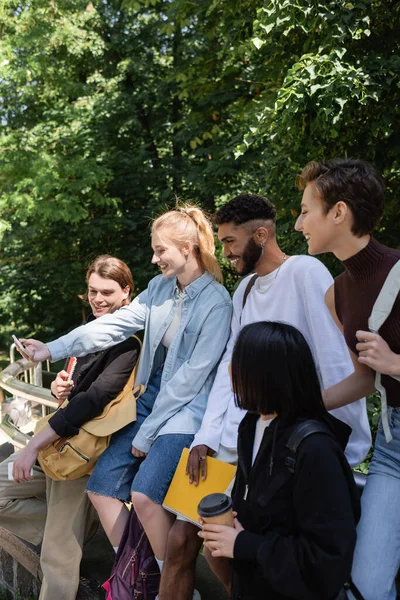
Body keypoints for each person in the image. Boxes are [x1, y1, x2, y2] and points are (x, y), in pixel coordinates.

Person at [158, 193, 371, 600]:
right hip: (244, 437)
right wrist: (205, 434)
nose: (225, 253)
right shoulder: (244, 291)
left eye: (230, 242)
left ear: (260, 235)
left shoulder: (306, 273)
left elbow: (335, 362)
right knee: (187, 538)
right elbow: (228, 368)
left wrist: (339, 448)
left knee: (234, 549)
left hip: (293, 449)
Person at [20, 205, 232, 585]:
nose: (153, 258)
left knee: (146, 497)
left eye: (160, 250)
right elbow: (111, 327)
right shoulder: (160, 289)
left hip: (188, 413)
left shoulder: (218, 304)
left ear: (187, 247)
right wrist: (51, 348)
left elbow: (190, 379)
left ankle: (171, 585)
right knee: (101, 489)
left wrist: (149, 432)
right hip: (150, 404)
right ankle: (140, 576)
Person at [0, 255, 140, 600]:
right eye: (92, 291)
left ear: (127, 292)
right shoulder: (89, 335)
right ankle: (70, 529)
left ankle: (66, 535)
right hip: (57, 446)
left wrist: (32, 445)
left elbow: (94, 401)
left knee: (58, 558)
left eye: (107, 292)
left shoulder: (128, 344)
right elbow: (77, 395)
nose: (97, 299)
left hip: (76, 457)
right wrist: (59, 388)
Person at [295, 158, 400, 600]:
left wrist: (396, 365)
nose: (298, 223)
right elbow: (362, 379)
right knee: (367, 587)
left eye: (305, 210)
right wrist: (298, 406)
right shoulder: (334, 294)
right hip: (392, 445)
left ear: (339, 213)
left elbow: (385, 367)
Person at [199, 321, 361, 600]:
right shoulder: (251, 424)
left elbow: (326, 558)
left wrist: (245, 545)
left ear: (265, 375)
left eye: (238, 362)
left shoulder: (316, 450)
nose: (229, 371)